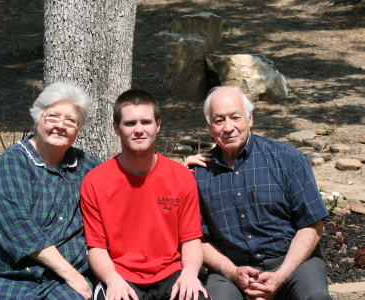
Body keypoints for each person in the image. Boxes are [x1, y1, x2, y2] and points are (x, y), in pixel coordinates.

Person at [0, 81, 101, 300]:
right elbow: (16, 223)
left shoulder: (88, 167)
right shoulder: (15, 160)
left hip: (57, 281)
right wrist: (71, 274)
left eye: (70, 120)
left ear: (78, 128)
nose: (61, 125)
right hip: (3, 270)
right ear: (38, 117)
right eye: (52, 116)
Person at [183, 86, 331, 300]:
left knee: (315, 297)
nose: (228, 127)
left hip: (290, 262)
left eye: (235, 117)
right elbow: (197, 239)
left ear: (250, 118)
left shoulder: (287, 159)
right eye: (219, 120)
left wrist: (281, 275)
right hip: (231, 267)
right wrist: (234, 273)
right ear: (209, 126)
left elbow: (313, 224)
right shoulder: (197, 174)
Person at [80, 89, 209, 300]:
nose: (139, 130)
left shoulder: (182, 178)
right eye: (130, 123)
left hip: (171, 274)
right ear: (116, 128)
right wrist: (112, 280)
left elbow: (191, 239)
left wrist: (189, 273)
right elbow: (96, 247)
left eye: (146, 122)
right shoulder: (95, 181)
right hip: (120, 275)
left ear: (158, 125)